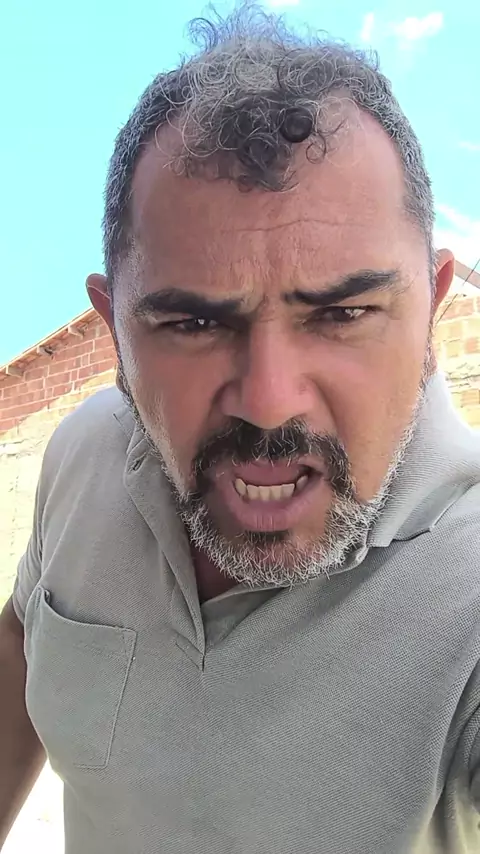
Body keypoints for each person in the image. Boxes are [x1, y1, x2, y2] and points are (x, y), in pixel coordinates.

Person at [1, 5, 479, 853]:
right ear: (114, 333)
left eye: (342, 314)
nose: (267, 402)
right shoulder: (85, 451)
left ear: (433, 312)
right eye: (192, 324)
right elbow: (24, 638)